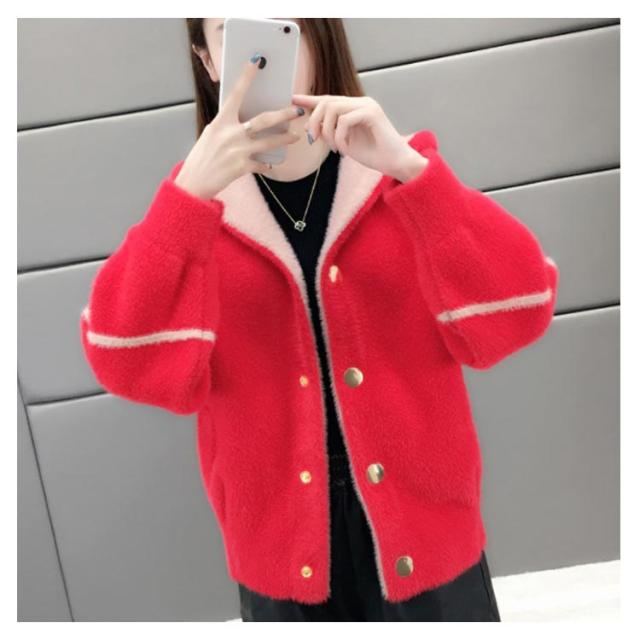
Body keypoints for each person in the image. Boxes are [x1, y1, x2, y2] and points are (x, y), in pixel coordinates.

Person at [81, 18, 558, 621]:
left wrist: (413, 172)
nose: (263, 53)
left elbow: (525, 305)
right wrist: (186, 201)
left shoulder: (400, 176)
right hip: (280, 559)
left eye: (286, 25)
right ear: (207, 60)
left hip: (430, 543)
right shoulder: (192, 216)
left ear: (319, 35)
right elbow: (122, 359)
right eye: (233, 31)